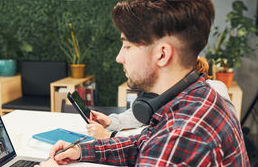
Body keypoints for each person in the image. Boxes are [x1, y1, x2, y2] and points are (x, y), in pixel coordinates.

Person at [31, 0, 255, 167]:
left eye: (127, 45)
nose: (119, 57)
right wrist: (84, 150)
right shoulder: (195, 95)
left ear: (162, 54)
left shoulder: (188, 132)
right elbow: (145, 143)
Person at [87, 57, 238, 139]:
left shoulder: (213, 89)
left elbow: (162, 146)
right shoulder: (173, 95)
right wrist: (112, 121)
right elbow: (140, 117)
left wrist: (108, 138)